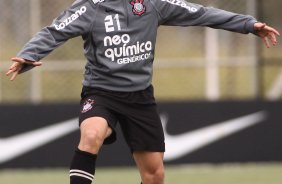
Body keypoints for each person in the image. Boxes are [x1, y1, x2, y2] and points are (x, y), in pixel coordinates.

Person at [6, 0, 280, 183]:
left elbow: (201, 13)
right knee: (91, 135)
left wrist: (248, 25)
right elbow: (55, 31)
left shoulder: (152, 5)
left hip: (140, 98)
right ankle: (104, 129)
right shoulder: (90, 7)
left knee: (154, 176)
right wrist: (27, 55)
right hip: (101, 92)